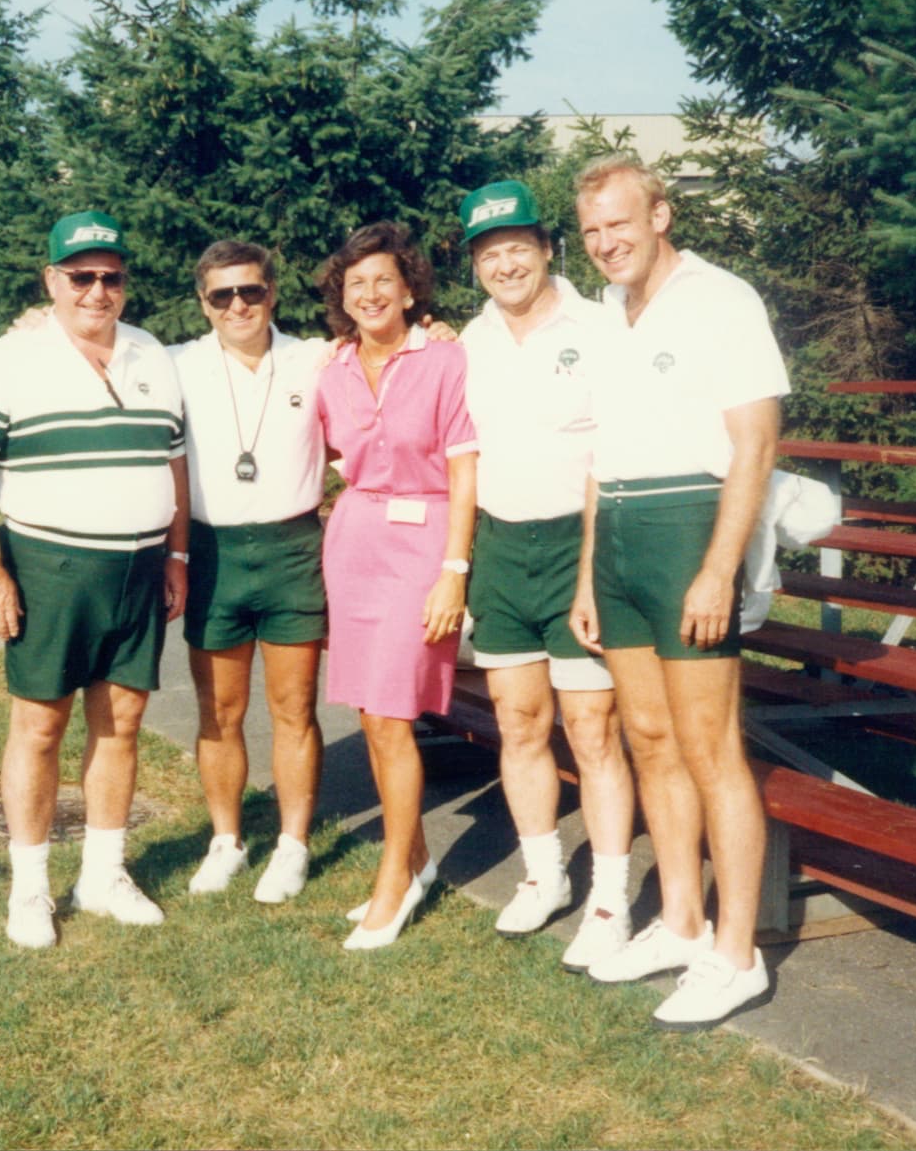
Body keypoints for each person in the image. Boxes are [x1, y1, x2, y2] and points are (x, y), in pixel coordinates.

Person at [568, 153, 788, 1029]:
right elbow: (600, 459)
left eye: (618, 224)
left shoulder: (721, 300)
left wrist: (717, 565)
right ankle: (684, 923)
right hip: (620, 534)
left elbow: (756, 446)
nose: (604, 244)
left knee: (709, 745)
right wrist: (589, 570)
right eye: (589, 231)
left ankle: (737, 953)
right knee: (649, 738)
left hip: (688, 528)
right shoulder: (610, 315)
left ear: (660, 214)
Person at [0, 210, 188, 950]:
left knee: (121, 721)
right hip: (50, 566)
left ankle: (104, 874)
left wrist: (176, 556)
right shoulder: (10, 357)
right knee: (40, 725)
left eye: (110, 276)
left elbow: (173, 459)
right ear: (51, 279)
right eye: (80, 276)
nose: (96, 291)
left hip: (140, 566)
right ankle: (29, 888)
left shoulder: (150, 353)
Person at [454, 181, 636, 966]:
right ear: (475, 264)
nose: (505, 264)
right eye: (489, 253)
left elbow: (616, 453)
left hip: (579, 546)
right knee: (519, 722)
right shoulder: (467, 340)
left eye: (517, 247)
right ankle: (543, 875)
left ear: (547, 247)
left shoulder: (600, 327)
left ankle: (610, 898)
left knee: (591, 729)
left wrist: (593, 572)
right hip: (500, 548)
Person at [315, 221, 477, 950]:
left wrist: (454, 570)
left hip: (423, 544)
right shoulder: (331, 369)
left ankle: (393, 881)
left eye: (384, 279)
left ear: (410, 288)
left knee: (391, 712)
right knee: (370, 711)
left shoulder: (446, 360)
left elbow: (465, 469)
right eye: (356, 284)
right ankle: (412, 860)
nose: (371, 293)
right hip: (353, 539)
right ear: (340, 297)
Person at [173, 241, 328, 904]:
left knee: (293, 708)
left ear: (272, 292)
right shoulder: (174, 364)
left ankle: (292, 844)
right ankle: (226, 840)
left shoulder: (315, 357)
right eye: (221, 295)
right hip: (214, 554)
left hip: (293, 549)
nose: (238, 305)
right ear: (203, 303)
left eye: (251, 291)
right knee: (219, 709)